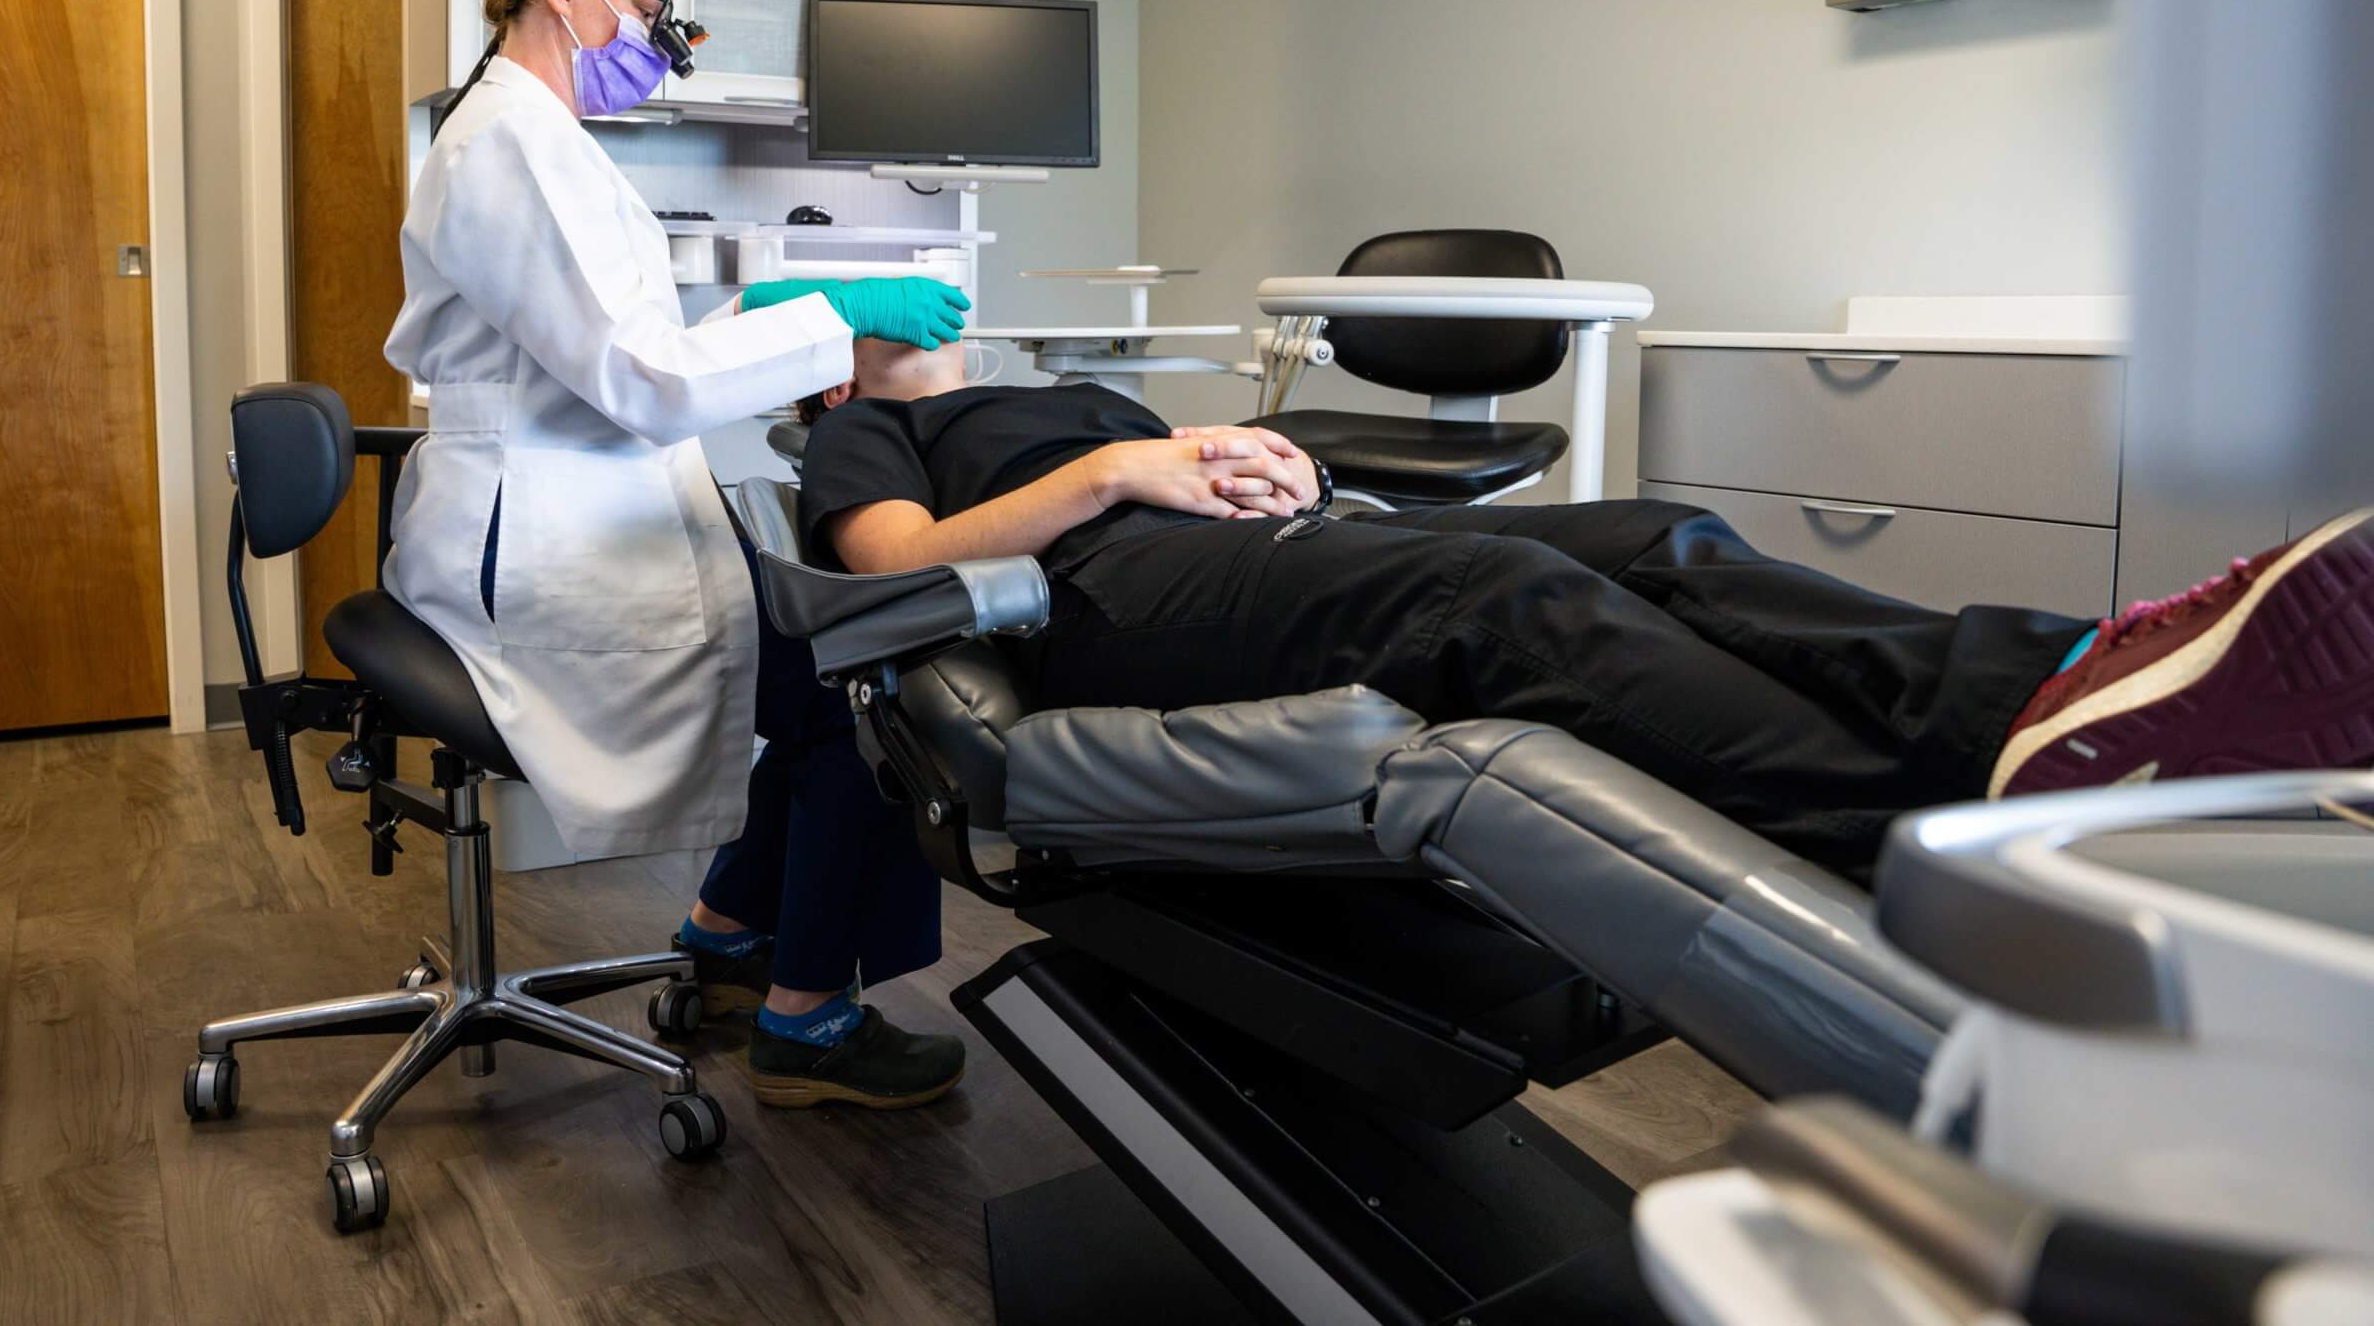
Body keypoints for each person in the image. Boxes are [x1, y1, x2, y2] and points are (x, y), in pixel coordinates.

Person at [791, 340, 2374, 876]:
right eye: (894, 313)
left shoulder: (1061, 381)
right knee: (1502, 590)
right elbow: (894, 566)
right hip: (1094, 600)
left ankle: (2057, 686)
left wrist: (1249, 454)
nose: (933, 323)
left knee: (1658, 530)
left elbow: (1169, 461)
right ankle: (1926, 827)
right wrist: (1126, 470)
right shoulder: (866, 424)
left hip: (1245, 545)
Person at [383, 0, 972, 1110]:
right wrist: (832, 319)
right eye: (657, 12)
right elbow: (640, 381)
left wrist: (753, 317)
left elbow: (606, 337)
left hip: (584, 505)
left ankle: (721, 937)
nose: (667, 44)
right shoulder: (511, 146)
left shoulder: (534, 139)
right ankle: (807, 1021)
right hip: (552, 543)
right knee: (866, 693)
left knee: (821, 688)